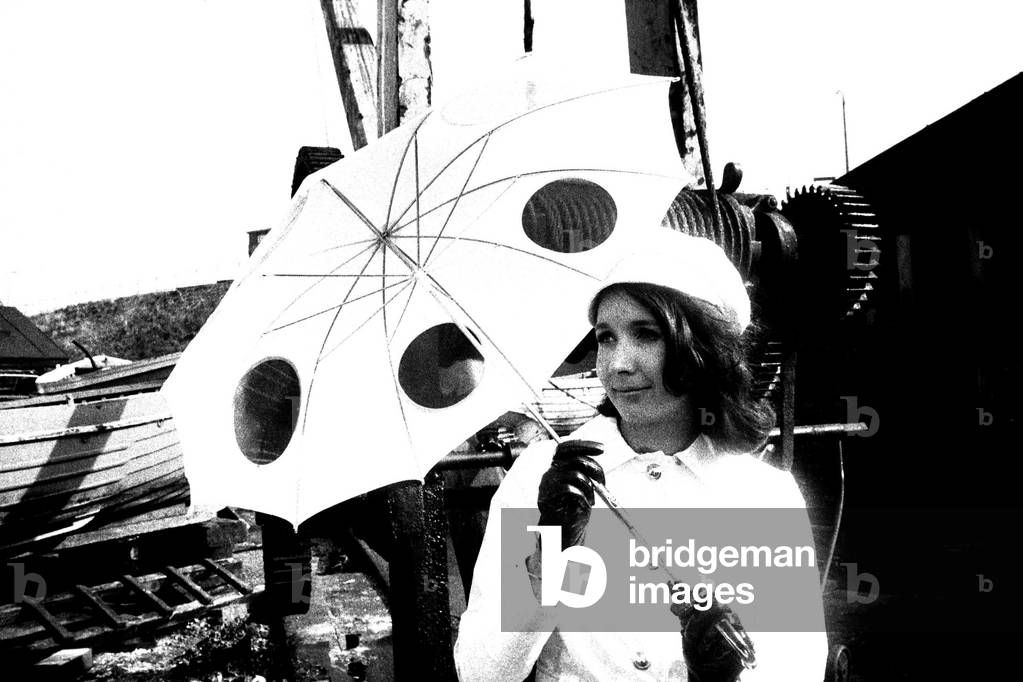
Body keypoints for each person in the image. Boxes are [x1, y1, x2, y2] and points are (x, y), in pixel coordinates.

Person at [453, 227, 827, 681]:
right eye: (606, 337)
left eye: (645, 334)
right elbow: (482, 673)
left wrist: (721, 676)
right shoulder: (542, 478)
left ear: (702, 349)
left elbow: (798, 670)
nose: (617, 364)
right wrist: (549, 557)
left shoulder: (761, 494)